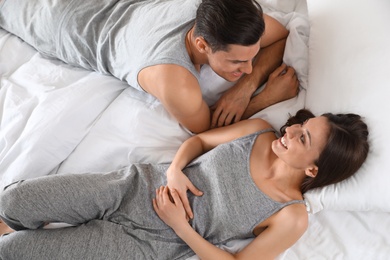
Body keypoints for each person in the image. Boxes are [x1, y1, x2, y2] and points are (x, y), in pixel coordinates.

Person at [0, 108, 369, 259]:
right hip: (134, 185)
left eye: (303, 138)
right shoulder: (259, 132)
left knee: (14, 252)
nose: (291, 130)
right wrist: (176, 169)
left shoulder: (292, 216)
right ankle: (13, 221)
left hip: (149, 242)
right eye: (301, 126)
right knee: (13, 200)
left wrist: (180, 226)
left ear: (313, 172)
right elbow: (200, 142)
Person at [0, 0, 298, 133]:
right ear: (202, 45)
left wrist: (245, 88)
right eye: (237, 62)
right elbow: (205, 127)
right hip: (65, 27)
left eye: (251, 58)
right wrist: (265, 98)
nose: (247, 68)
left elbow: (280, 36)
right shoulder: (175, 80)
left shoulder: (220, 17)